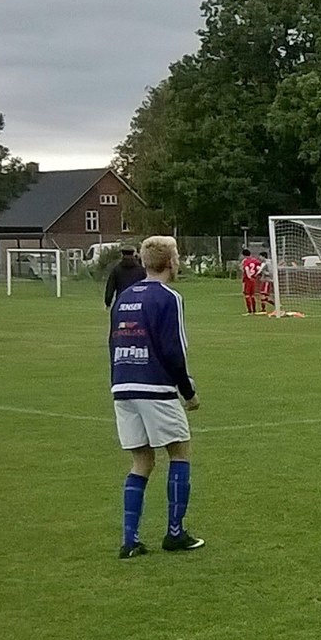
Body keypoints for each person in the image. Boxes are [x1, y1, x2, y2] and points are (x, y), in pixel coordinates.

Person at [109, 235, 203, 557]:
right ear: (170, 262)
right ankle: (175, 533)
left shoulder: (124, 297)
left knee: (142, 460)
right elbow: (173, 350)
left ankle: (130, 541)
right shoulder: (168, 298)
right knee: (179, 451)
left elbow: (112, 342)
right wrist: (188, 392)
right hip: (154, 387)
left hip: (123, 386)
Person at [102, 246, 144, 310]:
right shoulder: (141, 270)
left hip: (121, 303)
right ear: (133, 254)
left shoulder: (116, 270)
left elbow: (110, 287)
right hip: (138, 303)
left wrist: (108, 302)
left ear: (122, 254)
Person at [239, 248, 267, 314]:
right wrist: (256, 274)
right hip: (254, 279)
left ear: (244, 255)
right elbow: (259, 268)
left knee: (247, 295)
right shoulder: (255, 260)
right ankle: (254, 310)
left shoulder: (245, 261)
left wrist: (249, 276)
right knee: (252, 295)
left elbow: (246, 268)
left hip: (248, 279)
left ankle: (249, 310)